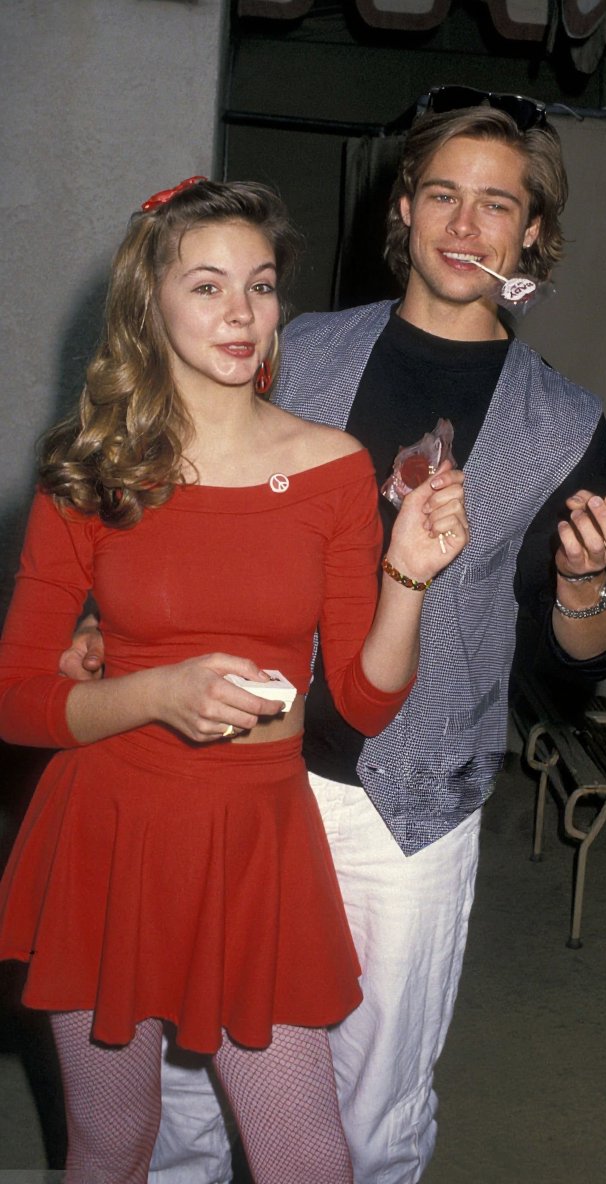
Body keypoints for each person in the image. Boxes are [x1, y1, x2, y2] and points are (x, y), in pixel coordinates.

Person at [67, 90, 606, 1184]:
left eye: (496, 204)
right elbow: (162, 490)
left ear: (531, 233)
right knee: (192, 1097)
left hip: (407, 809)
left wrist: (580, 584)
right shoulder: (292, 349)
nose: (465, 225)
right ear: (404, 208)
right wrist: (103, 621)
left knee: (370, 1114)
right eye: (443, 194)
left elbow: (588, 650)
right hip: (235, 777)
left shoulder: (562, 421)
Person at [0, 177, 468, 1184]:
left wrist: (407, 576)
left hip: (254, 834)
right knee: (112, 1145)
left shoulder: (334, 467)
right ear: (149, 304)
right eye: (207, 286)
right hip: (107, 831)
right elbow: (17, 698)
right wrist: (155, 692)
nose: (241, 314)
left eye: (258, 286)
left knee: (308, 1156)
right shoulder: (92, 468)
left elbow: (366, 695)